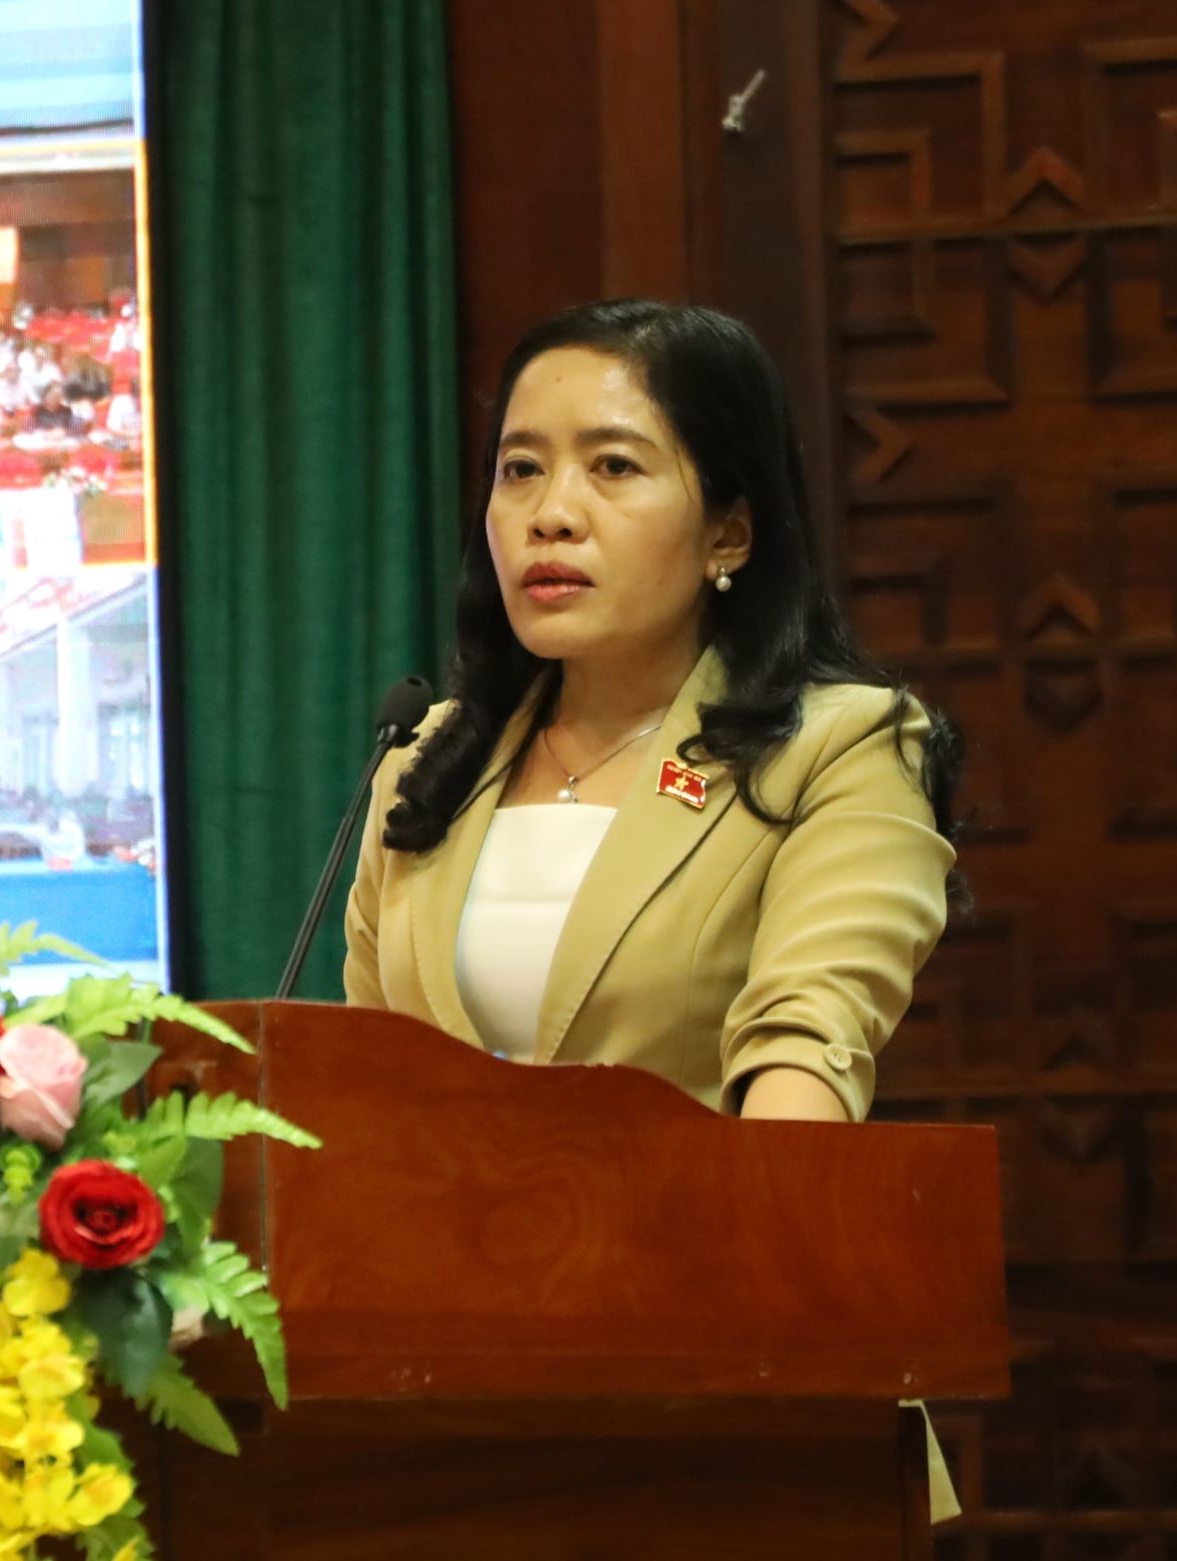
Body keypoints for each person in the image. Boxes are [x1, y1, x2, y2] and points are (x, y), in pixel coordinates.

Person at [340, 297, 965, 1515]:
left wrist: (680, 1334)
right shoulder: (426, 764)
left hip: (722, 1406)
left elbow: (803, 1054)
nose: (549, 512)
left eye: (612, 466)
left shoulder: (836, 749)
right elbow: (370, 1108)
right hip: (435, 1432)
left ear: (729, 527)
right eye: (519, 469)